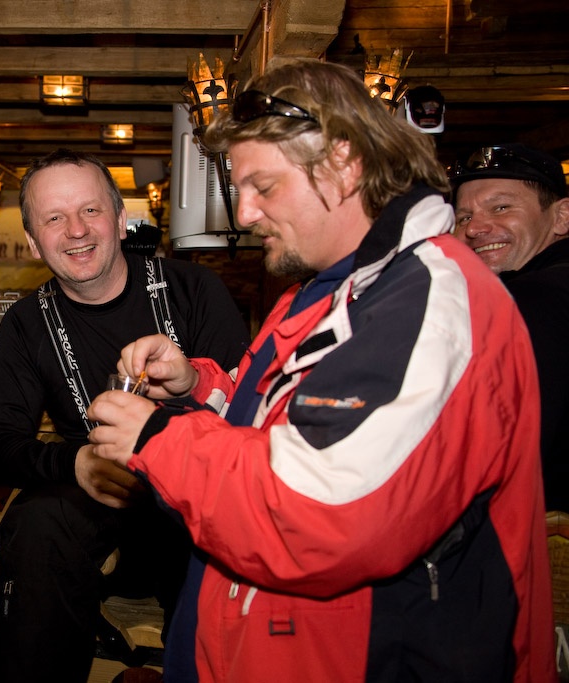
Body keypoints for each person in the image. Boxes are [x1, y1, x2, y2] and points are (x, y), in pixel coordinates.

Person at [86, 59, 554, 682]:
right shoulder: (318, 292)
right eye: (239, 189)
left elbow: (321, 508)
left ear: (343, 163)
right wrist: (198, 388)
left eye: (264, 186)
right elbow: (277, 424)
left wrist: (157, 438)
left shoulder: (429, 299)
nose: (245, 214)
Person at [0, 148, 250, 683]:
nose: (76, 230)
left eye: (90, 211)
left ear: (121, 220)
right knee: (35, 521)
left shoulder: (194, 290)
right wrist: (76, 463)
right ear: (33, 241)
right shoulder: (27, 322)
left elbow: (249, 418)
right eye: (54, 218)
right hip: (98, 496)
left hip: (192, 492)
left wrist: (186, 394)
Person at [450, 143, 569, 511]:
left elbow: (493, 455)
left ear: (562, 217)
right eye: (463, 217)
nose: (475, 228)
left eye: (501, 207)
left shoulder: (537, 298)